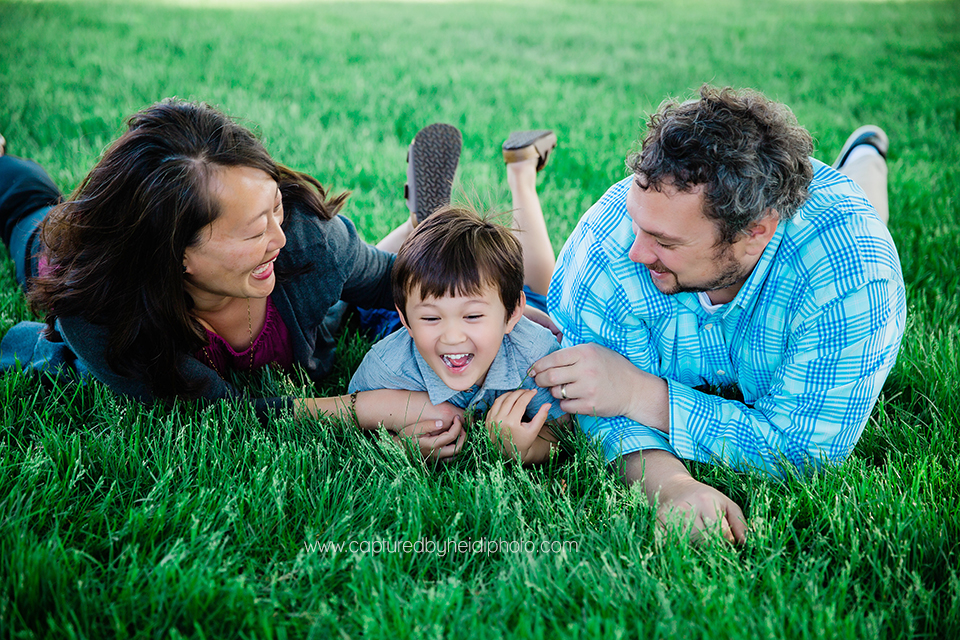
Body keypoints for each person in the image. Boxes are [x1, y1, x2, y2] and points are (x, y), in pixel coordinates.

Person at [528, 85, 906, 543]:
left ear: (753, 233)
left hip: (837, 234)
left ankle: (865, 159)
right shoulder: (605, 246)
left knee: (870, 207)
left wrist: (641, 393)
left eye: (665, 243)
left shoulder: (852, 281)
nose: (635, 251)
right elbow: (594, 402)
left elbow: (804, 450)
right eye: (638, 223)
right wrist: (672, 486)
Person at [0, 99, 473, 460]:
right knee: (33, 216)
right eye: (253, 231)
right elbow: (212, 415)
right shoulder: (103, 315)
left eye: (275, 207)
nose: (278, 238)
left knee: (349, 284)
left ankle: (423, 231)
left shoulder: (307, 240)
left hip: (311, 283)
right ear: (176, 253)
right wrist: (366, 409)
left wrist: (494, 313)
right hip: (92, 266)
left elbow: (391, 282)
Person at [348, 201, 568, 464]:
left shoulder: (537, 357)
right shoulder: (386, 367)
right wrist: (398, 447)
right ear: (407, 319)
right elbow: (356, 421)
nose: (452, 337)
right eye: (431, 318)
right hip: (394, 322)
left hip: (520, 309)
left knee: (543, 292)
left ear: (511, 316)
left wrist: (526, 451)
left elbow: (564, 428)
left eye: (472, 317)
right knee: (362, 309)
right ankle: (415, 220)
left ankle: (522, 174)